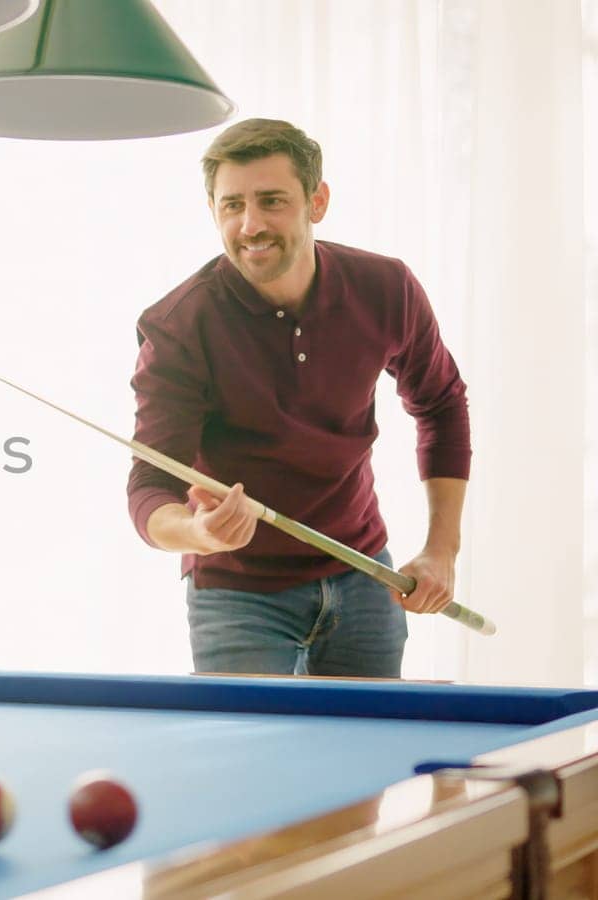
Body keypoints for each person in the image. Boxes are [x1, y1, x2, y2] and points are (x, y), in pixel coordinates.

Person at [127, 118, 470, 678]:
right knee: (247, 762)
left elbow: (442, 406)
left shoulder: (386, 288)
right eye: (231, 205)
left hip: (363, 572)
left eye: (271, 201)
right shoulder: (179, 326)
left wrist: (441, 550)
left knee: (370, 760)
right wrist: (197, 532)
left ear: (317, 201)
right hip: (238, 595)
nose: (251, 224)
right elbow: (149, 488)